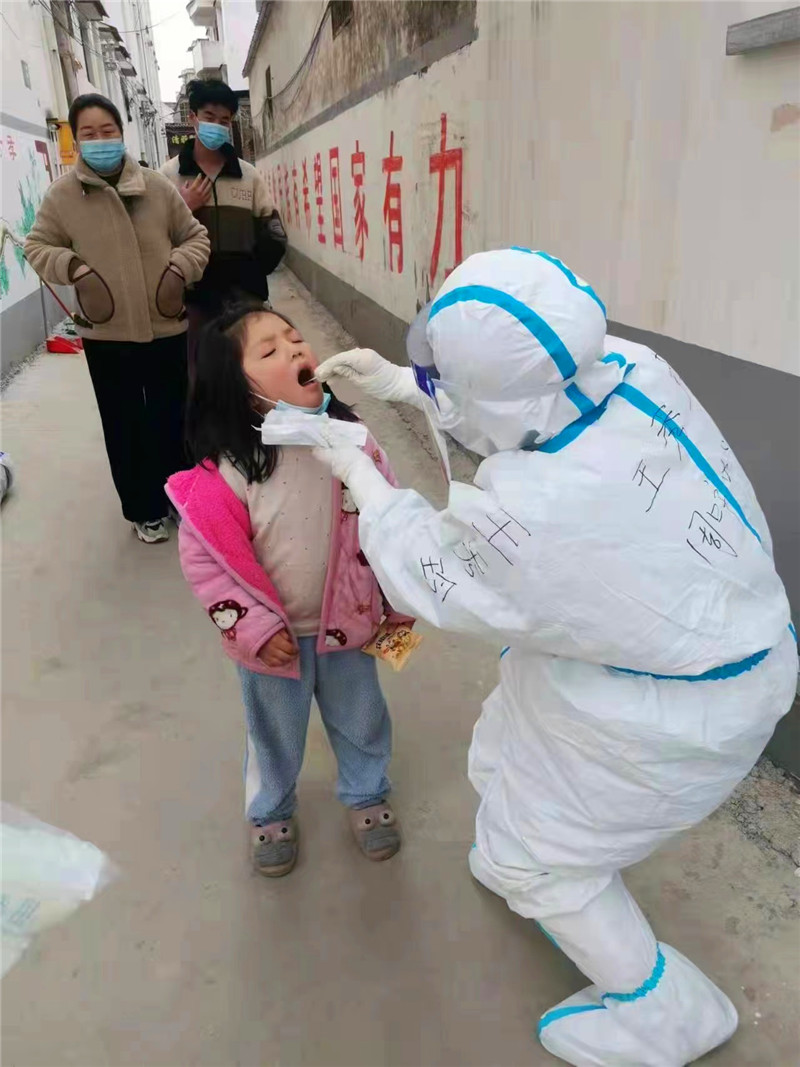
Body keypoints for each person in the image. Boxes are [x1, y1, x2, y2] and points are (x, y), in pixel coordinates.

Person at [313, 248, 797, 1066]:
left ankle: (664, 1012)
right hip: (675, 646)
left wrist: (362, 476)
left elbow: (436, 568)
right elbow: (517, 410)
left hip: (674, 710)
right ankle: (524, 848)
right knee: (506, 737)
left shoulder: (543, 511)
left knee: (537, 859)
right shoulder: (631, 369)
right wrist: (409, 388)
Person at [165, 302, 413, 876]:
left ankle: (367, 793)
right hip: (273, 645)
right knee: (273, 734)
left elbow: (392, 519)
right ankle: (270, 810)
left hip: (349, 625)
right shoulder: (229, 470)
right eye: (270, 350)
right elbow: (205, 562)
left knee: (362, 717)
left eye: (295, 337)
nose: (296, 349)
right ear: (239, 389)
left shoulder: (354, 441)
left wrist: (399, 600)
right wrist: (252, 630)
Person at [24, 94, 210, 544]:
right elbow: (37, 246)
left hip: (166, 328)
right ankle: (144, 509)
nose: (100, 140)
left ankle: (178, 497)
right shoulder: (62, 197)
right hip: (107, 336)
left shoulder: (156, 187)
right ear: (76, 140)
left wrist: (177, 271)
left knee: (173, 418)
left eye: (107, 131)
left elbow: (195, 237)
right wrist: (76, 270)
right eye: (89, 133)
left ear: (121, 133)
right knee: (125, 425)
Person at [159, 79, 287, 374]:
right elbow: (152, 239)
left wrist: (251, 273)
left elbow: (274, 233)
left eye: (224, 120)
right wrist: (183, 209)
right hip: (192, 301)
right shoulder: (168, 177)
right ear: (193, 118)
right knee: (199, 372)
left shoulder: (248, 175)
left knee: (250, 372)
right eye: (209, 117)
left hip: (244, 298)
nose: (217, 125)